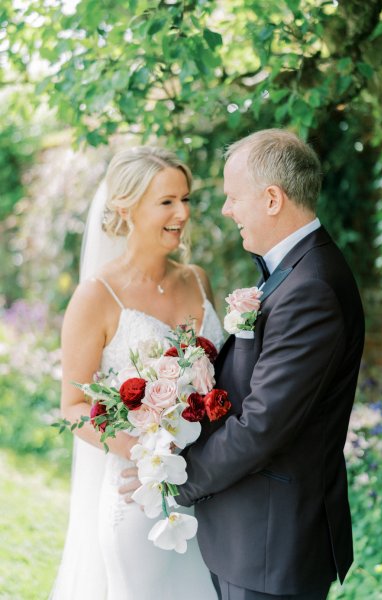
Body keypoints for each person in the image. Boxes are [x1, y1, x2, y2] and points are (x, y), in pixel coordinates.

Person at [172, 129, 365, 599]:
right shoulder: (294, 271)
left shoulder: (311, 289)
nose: (226, 210)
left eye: (233, 197)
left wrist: (179, 476)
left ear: (273, 199)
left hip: (271, 546)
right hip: (252, 536)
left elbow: (263, 423)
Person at [50, 146, 223, 600]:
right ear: (125, 208)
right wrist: (146, 459)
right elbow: (72, 407)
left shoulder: (197, 279)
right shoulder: (96, 297)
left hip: (214, 490)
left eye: (185, 199)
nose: (182, 213)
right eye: (166, 202)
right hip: (142, 495)